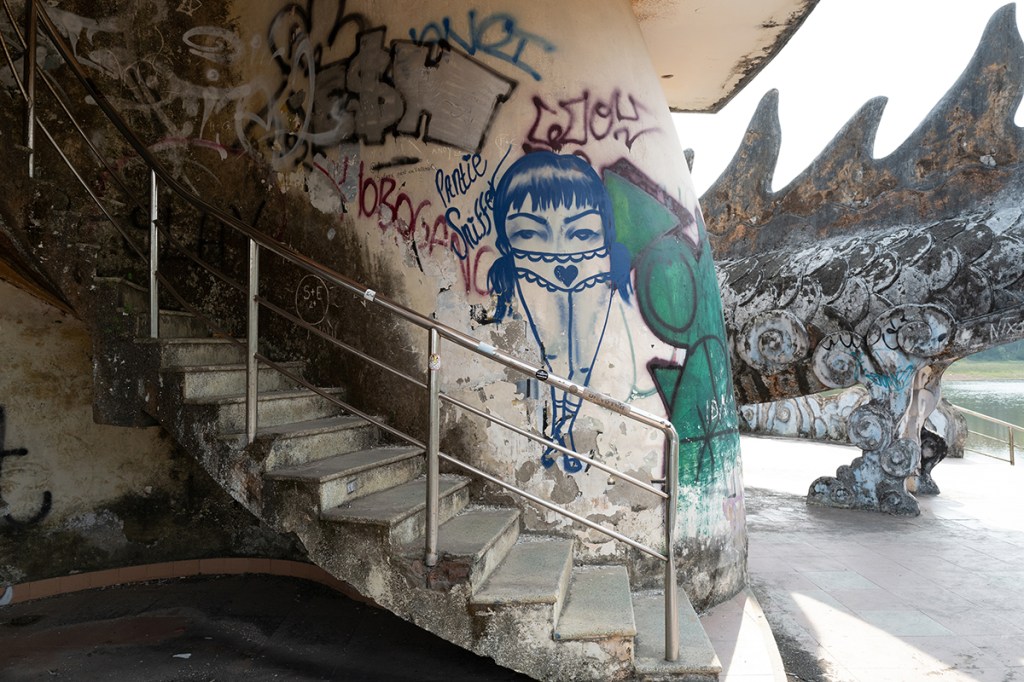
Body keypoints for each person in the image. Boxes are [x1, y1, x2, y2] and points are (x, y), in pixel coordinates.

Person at [488, 151, 631, 471]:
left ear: (606, 240)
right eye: (528, 233)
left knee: (576, 359)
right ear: (506, 244)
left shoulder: (607, 287)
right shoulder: (519, 281)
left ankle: (564, 432)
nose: (561, 255)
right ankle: (560, 434)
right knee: (552, 355)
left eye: (582, 234)